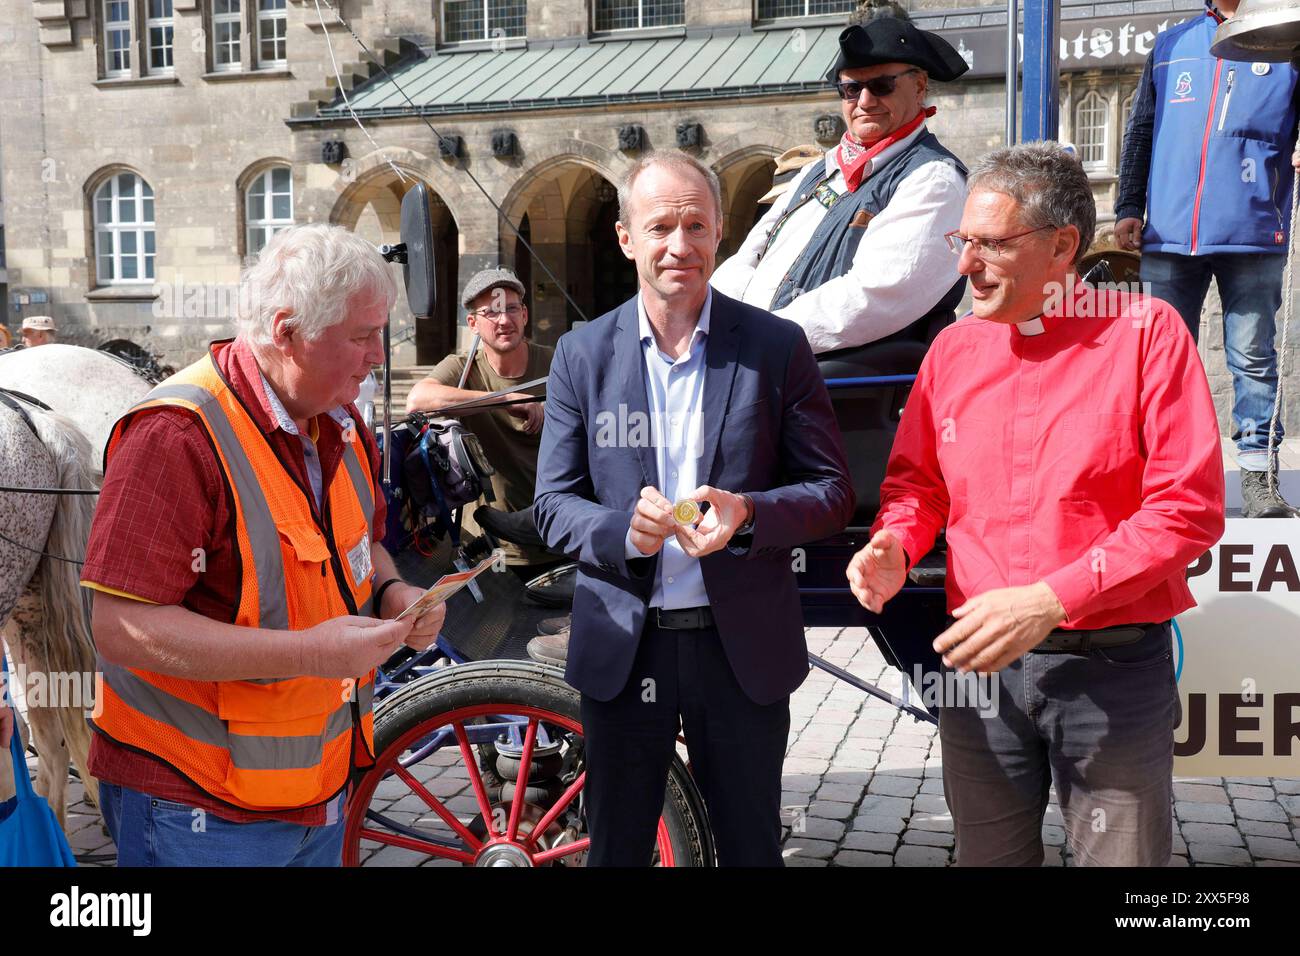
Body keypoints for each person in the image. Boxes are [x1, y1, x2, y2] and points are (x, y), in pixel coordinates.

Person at [848, 143, 1225, 866]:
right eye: (964, 242)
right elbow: (917, 487)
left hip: (1110, 672)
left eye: (991, 244)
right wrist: (894, 541)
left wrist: (1053, 597)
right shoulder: (953, 350)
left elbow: (1186, 506)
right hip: (978, 671)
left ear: (1062, 247)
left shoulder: (1147, 335)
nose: (965, 265)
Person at [80, 224, 446, 867]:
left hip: (320, 791)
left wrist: (392, 592)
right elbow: (121, 627)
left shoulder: (340, 418)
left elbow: (360, 547)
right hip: (198, 808)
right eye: (361, 336)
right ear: (286, 332)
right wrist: (309, 653)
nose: (378, 356)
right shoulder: (175, 435)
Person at [534, 150, 854, 866]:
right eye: (659, 228)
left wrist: (749, 513)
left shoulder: (775, 347)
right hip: (626, 642)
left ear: (720, 234)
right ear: (626, 238)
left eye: (696, 226)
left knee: (749, 849)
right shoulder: (582, 355)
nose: (679, 245)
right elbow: (552, 505)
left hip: (737, 647)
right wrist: (624, 532)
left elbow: (832, 491)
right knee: (616, 850)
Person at [1116, 0, 1300, 516]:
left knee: (1253, 359)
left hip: (1254, 228)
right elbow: (1141, 130)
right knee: (1157, 363)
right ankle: (1159, 473)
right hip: (1168, 232)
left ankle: (1259, 478)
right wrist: (1129, 204)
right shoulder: (1173, 42)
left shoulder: (1286, 38)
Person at [710, 12, 969, 353]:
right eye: (850, 89)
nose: (864, 101)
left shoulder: (934, 177)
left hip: (830, 381)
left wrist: (757, 338)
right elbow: (751, 253)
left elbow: (872, 296)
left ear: (919, 86)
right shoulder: (818, 168)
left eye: (882, 85)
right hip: (761, 358)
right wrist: (716, 321)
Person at [407, 269, 556, 574]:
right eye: (492, 312)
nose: (504, 320)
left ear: (525, 315)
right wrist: (503, 399)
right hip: (491, 546)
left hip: (561, 540)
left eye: (512, 308)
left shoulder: (557, 362)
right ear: (473, 324)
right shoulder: (463, 368)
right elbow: (417, 399)